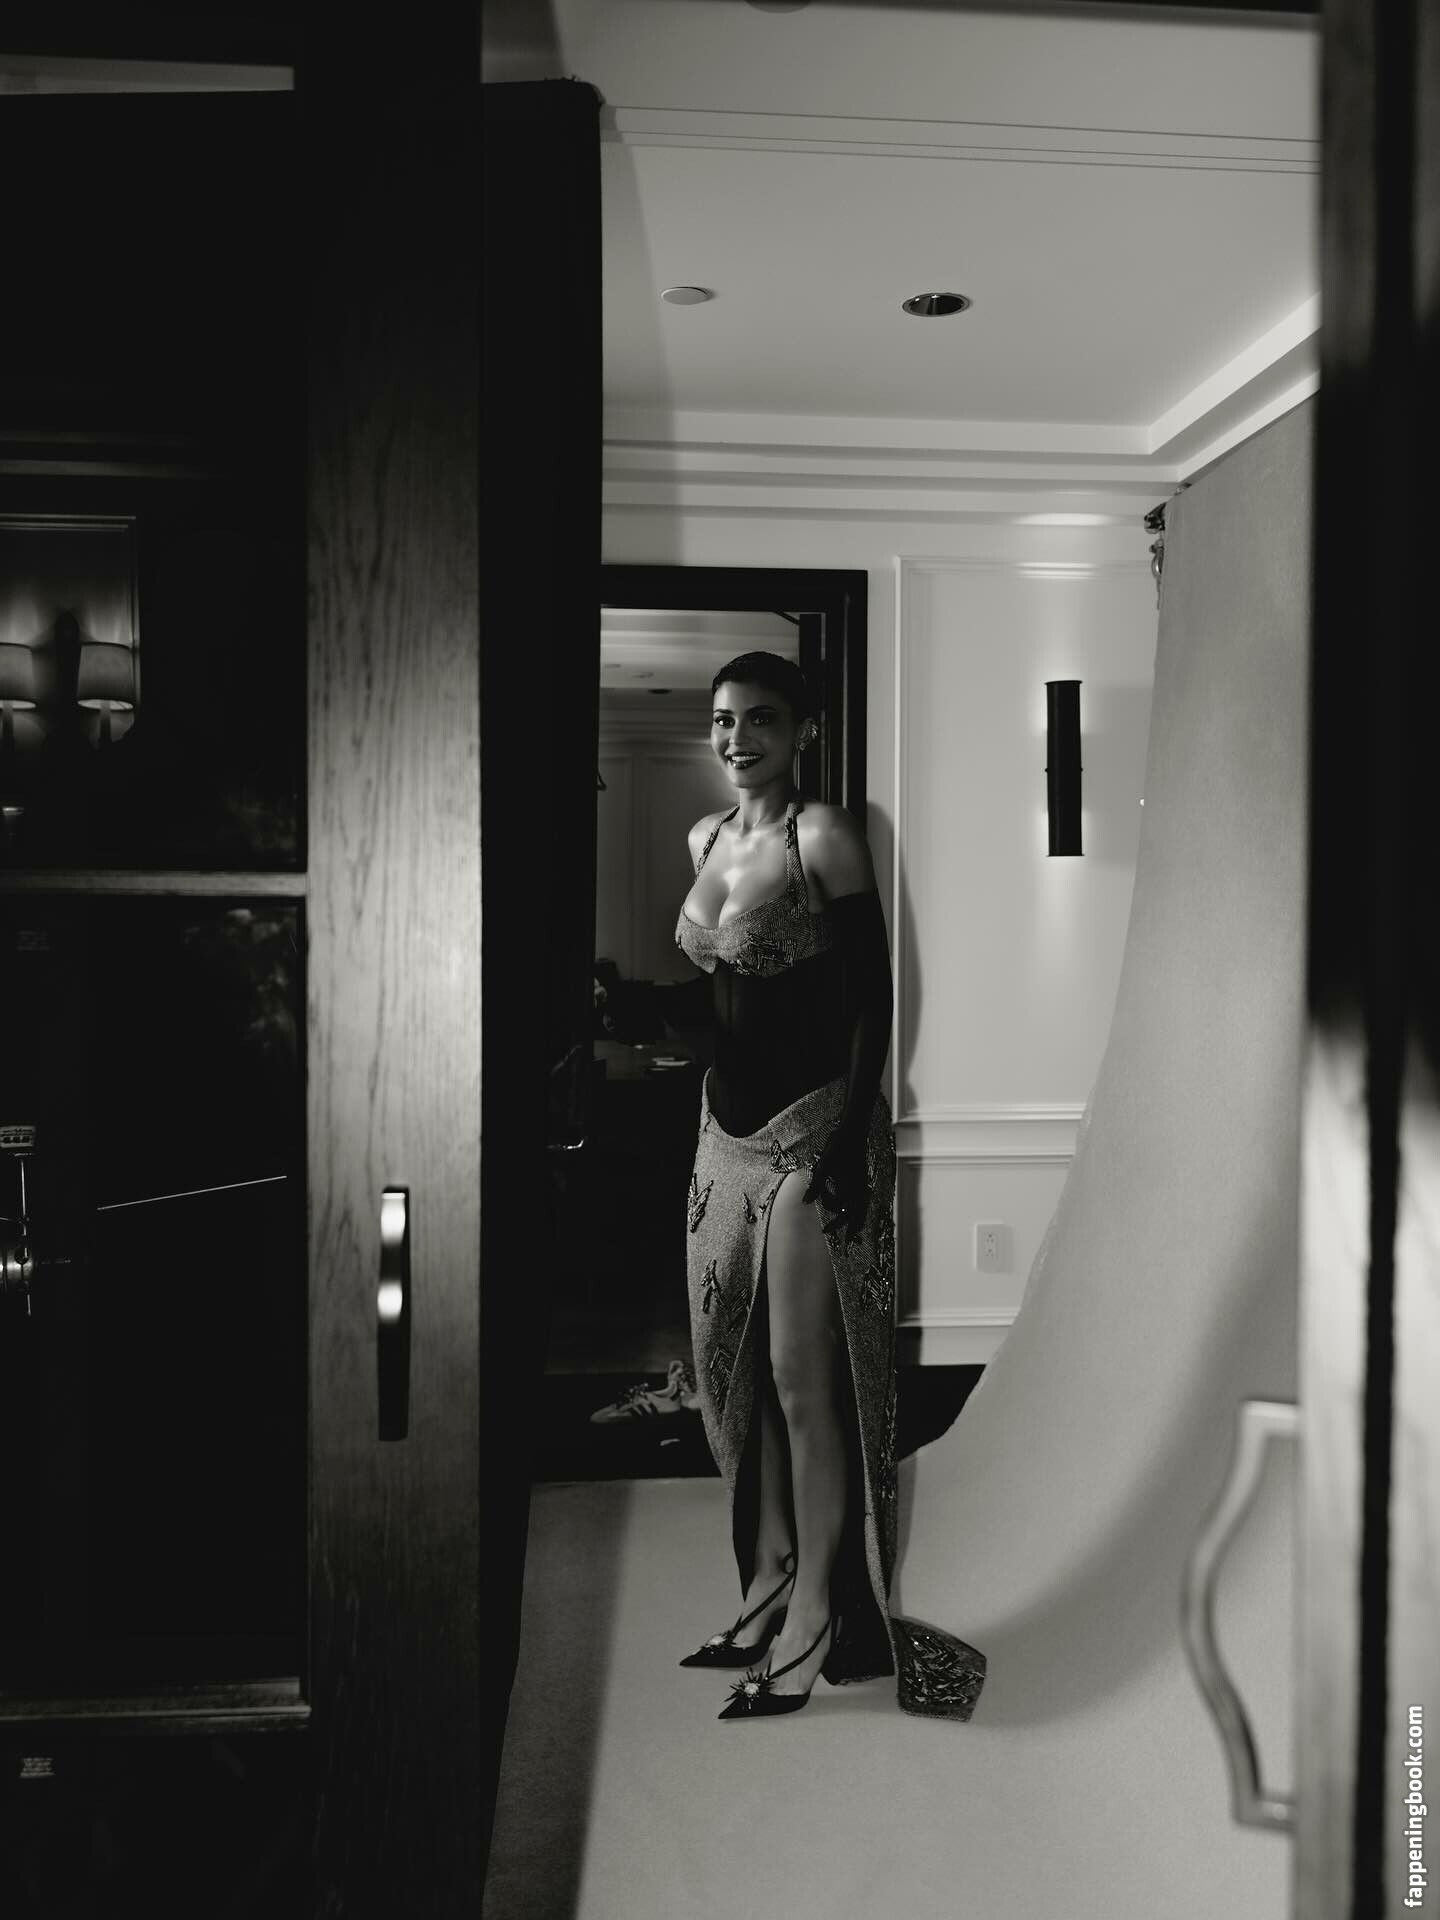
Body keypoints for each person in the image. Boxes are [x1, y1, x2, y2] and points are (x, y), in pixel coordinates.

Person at [673, 651, 986, 1721]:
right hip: (719, 1137)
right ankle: (765, 1580)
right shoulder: (704, 839)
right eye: (724, 720)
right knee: (730, 1372)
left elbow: (871, 998)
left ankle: (816, 1614)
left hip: (813, 1132)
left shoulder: (827, 835)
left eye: (761, 719)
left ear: (802, 730)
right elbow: (720, 995)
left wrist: (850, 1142)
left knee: (802, 1382)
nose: (738, 738)